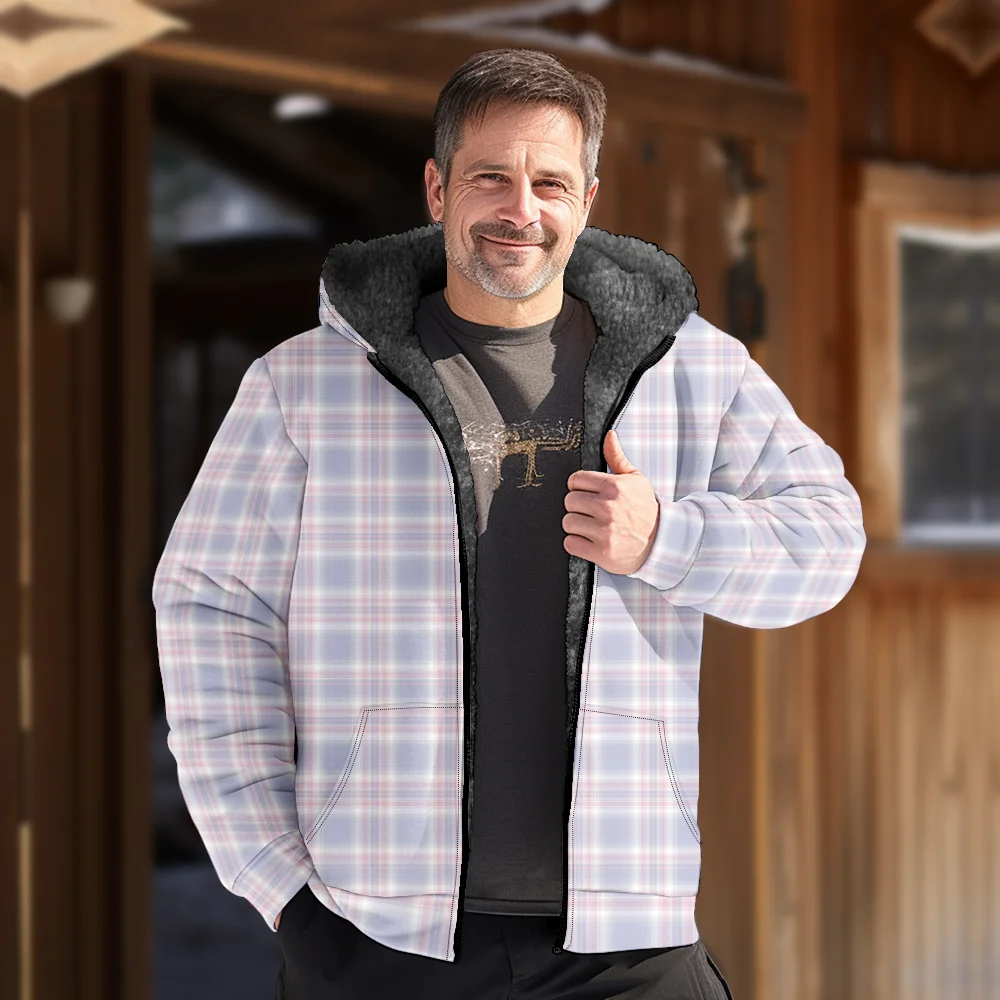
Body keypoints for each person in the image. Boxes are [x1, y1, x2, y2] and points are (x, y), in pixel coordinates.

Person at [152, 47, 866, 1000]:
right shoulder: (306, 385)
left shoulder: (691, 369)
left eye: (549, 182)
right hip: (381, 932)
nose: (519, 209)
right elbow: (208, 608)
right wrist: (276, 882)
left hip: (628, 933)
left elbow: (829, 542)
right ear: (439, 188)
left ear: (589, 198)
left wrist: (670, 540)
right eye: (490, 176)